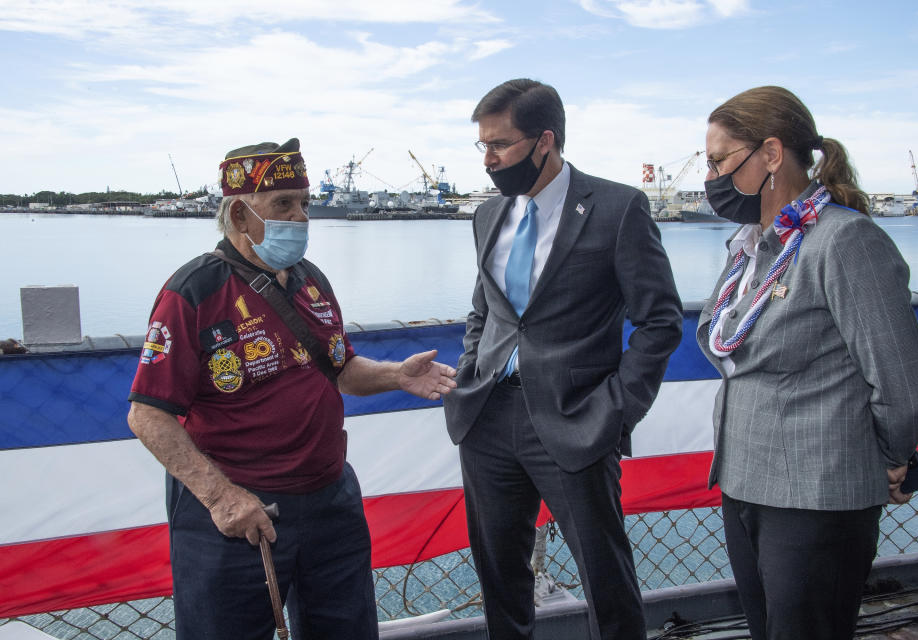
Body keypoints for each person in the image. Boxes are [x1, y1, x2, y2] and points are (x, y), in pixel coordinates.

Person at [127, 138, 456, 640]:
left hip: (330, 503)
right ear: (239, 215)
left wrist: (396, 376)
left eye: (303, 202)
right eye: (284, 204)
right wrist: (221, 498)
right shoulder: (192, 291)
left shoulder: (311, 281)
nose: (302, 217)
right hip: (238, 512)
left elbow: (340, 370)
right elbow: (147, 415)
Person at [443, 78, 683, 640]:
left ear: (545, 140)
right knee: (500, 576)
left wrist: (616, 409)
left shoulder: (619, 208)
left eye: (500, 144)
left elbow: (660, 321)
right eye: (481, 145)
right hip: (487, 416)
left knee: (605, 576)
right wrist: (474, 367)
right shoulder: (487, 216)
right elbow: (486, 309)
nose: (489, 159)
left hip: (577, 418)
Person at [696, 86, 918, 640]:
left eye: (719, 160)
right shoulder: (753, 246)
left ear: (772, 154)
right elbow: (728, 343)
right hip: (745, 482)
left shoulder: (845, 242)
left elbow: (903, 384)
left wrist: (890, 456)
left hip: (818, 493)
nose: (709, 177)